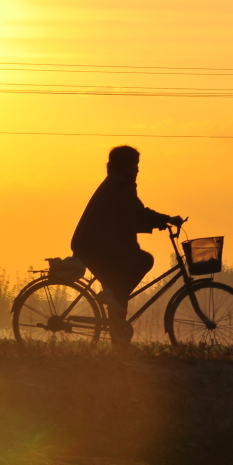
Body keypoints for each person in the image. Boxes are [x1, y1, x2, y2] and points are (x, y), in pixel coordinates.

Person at [71, 146, 183, 348]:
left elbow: (129, 216)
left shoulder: (114, 182)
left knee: (116, 289)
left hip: (93, 243)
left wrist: (157, 222)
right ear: (127, 166)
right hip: (97, 246)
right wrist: (166, 219)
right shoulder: (122, 185)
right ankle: (113, 299)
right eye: (135, 165)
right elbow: (135, 212)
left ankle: (118, 339)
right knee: (143, 261)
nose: (138, 170)